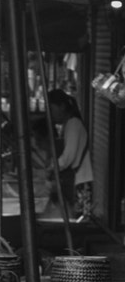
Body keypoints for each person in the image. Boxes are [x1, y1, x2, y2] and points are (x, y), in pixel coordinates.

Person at [47, 89, 94, 220]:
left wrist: (52, 166)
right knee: (76, 218)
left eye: (52, 109)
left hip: (80, 181)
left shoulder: (74, 124)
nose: (50, 113)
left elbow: (68, 156)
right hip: (76, 180)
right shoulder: (68, 125)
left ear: (62, 106)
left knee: (80, 220)